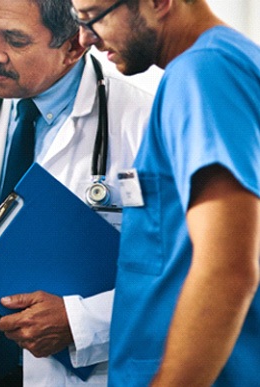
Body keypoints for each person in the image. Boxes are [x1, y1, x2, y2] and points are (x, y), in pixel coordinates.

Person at [0, 0, 154, 385]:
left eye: (15, 40)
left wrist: (81, 323)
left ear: (74, 46)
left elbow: (176, 271)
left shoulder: (140, 125)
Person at [70, 0, 260, 385]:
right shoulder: (229, 62)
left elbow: (228, 268)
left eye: (93, 17)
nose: (85, 37)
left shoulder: (205, 73)